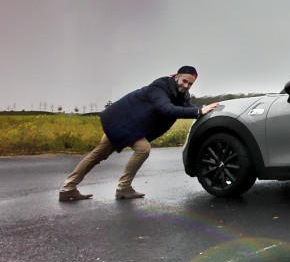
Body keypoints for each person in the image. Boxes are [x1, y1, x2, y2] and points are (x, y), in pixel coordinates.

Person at [58, 66, 219, 201]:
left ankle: (67, 189)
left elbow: (187, 106)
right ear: (176, 76)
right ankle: (123, 188)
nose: (186, 86)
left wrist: (206, 110)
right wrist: (198, 111)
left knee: (97, 154)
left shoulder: (181, 93)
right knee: (143, 149)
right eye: (184, 81)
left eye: (190, 84)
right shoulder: (159, 86)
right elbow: (165, 108)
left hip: (131, 127)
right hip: (124, 123)